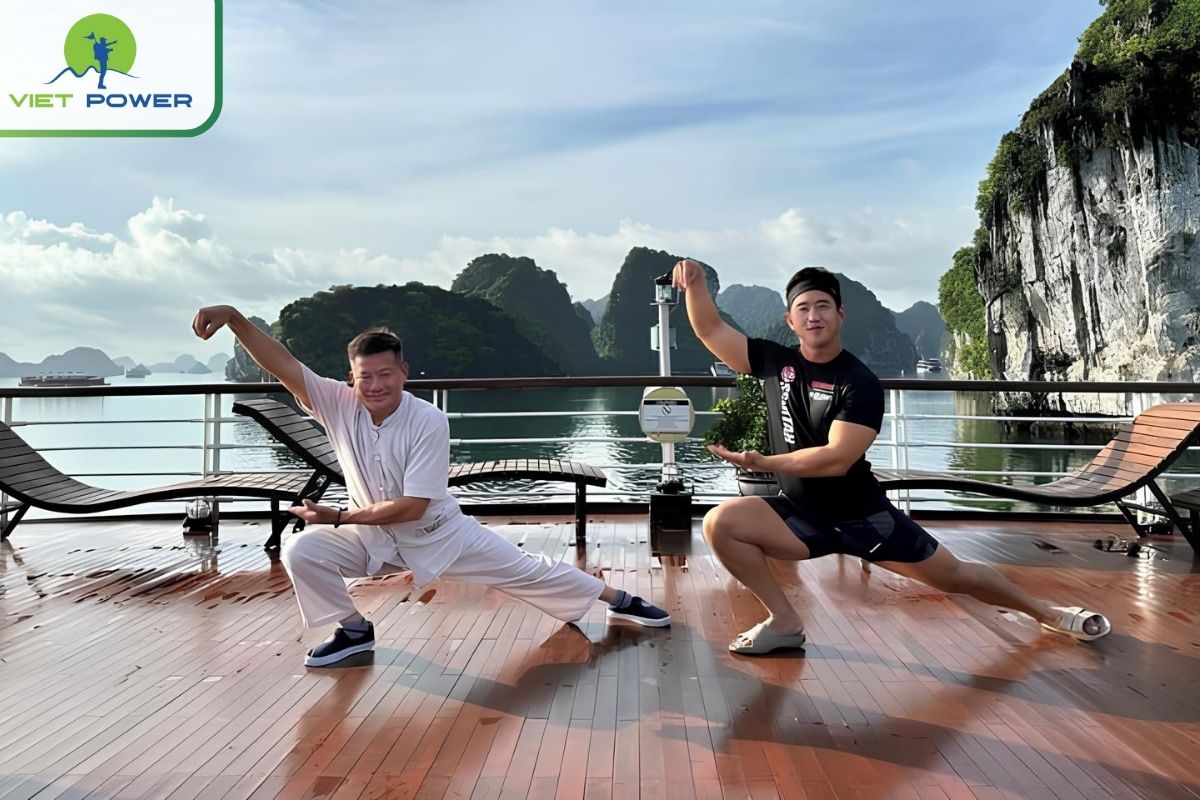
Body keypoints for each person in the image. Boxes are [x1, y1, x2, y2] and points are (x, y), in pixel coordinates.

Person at [672, 260, 1110, 655]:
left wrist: (763, 464)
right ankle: (784, 622)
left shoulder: (857, 382)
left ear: (840, 313)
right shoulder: (775, 361)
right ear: (790, 319)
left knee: (958, 577)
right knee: (721, 523)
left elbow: (836, 460)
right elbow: (711, 330)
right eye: (803, 308)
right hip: (800, 516)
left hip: (863, 518)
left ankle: (1045, 611)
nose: (813, 316)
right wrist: (693, 282)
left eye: (823, 305)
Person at [191, 306, 670, 666]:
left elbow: (415, 506)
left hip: (438, 534)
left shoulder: (428, 421)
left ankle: (618, 600)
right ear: (350, 379)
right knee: (303, 551)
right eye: (365, 377)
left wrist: (338, 517)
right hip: (371, 537)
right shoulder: (337, 404)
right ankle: (354, 631)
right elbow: (283, 364)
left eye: (385, 374)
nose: (375, 385)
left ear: (404, 372)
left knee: (527, 570)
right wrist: (234, 319)